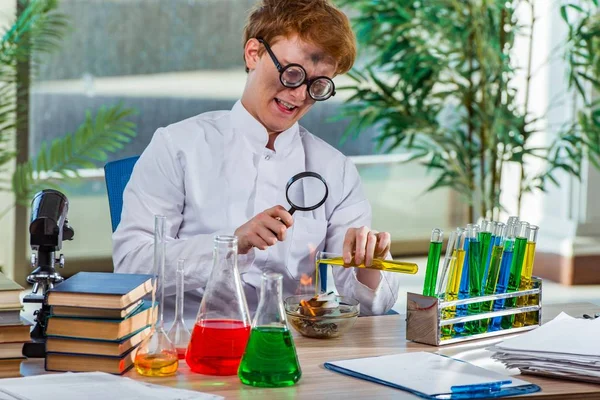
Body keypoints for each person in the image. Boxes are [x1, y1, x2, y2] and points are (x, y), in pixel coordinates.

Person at [112, 0, 401, 321]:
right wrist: (231, 245)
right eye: (292, 73)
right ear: (254, 54)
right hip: (192, 342)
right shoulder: (177, 145)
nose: (300, 95)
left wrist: (370, 264)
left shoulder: (336, 169)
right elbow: (131, 266)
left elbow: (372, 306)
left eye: (317, 85)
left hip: (289, 345)